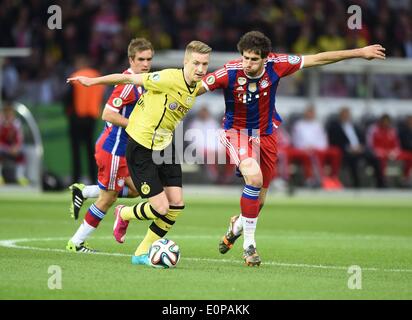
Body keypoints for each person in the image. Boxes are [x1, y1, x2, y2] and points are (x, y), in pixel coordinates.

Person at [199, 31, 385, 266]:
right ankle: (249, 247)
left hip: (266, 136)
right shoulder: (229, 71)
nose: (248, 63)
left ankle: (236, 227)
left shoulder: (278, 65)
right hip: (236, 133)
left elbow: (318, 59)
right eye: (245, 57)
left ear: (265, 59)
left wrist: (359, 52)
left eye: (254, 59)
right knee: (253, 179)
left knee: (259, 202)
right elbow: (195, 88)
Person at [67, 40, 212, 264]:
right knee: (153, 206)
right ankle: (119, 216)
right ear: (185, 62)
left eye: (205, 64)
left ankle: (140, 252)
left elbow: (218, 78)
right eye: (196, 63)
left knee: (176, 206)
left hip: (165, 146)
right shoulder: (166, 78)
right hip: (139, 148)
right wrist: (91, 82)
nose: (201, 69)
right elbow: (125, 79)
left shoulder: (196, 85)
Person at [66, 38, 154, 253]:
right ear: (131, 59)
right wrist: (135, 125)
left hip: (123, 149)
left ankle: (84, 191)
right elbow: (107, 114)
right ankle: (76, 243)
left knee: (135, 191)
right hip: (114, 150)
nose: (145, 63)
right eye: (141, 59)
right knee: (108, 198)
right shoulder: (128, 86)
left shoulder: (141, 82)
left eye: (149, 59)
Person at [66, 55, 105, 183]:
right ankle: (94, 179)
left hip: (76, 118)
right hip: (91, 118)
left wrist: (68, 112)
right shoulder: (97, 76)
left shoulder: (76, 76)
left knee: (76, 151)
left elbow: (67, 97)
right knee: (91, 151)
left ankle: (75, 180)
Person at [327, 107, 384, 188]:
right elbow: (334, 141)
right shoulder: (335, 127)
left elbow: (362, 138)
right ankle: (356, 184)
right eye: (344, 114)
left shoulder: (355, 126)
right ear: (340, 115)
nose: (346, 116)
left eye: (347, 114)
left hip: (360, 149)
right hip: (347, 151)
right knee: (353, 160)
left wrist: (360, 147)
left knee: (374, 157)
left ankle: (380, 183)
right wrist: (348, 148)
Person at [291, 105, 343, 189]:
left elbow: (323, 139)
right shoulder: (299, 125)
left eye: (312, 113)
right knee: (312, 154)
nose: (310, 114)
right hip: (304, 149)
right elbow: (296, 139)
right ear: (305, 113)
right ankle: (314, 179)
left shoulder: (318, 125)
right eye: (309, 112)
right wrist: (305, 147)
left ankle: (334, 177)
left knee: (336, 151)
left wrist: (317, 147)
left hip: (317, 148)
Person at [367, 114, 412, 186]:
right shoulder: (374, 130)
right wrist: (381, 151)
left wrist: (393, 152)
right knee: (380, 160)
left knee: (409, 156)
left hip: (391, 152)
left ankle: (406, 178)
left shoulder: (392, 130)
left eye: (387, 122)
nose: (386, 123)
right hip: (379, 153)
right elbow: (370, 145)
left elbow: (397, 145)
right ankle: (382, 180)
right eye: (384, 121)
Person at [0, 101, 29, 186]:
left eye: (10, 113)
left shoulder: (16, 123)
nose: (9, 115)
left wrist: (16, 147)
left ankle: (20, 177)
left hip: (13, 148)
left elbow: (19, 138)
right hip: (3, 147)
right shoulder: (1, 123)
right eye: (7, 113)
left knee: (22, 154)